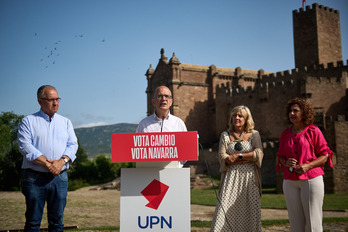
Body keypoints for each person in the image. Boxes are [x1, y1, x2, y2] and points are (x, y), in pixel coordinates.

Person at [18, 85, 78, 232]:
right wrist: (48, 163)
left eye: (57, 99)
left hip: (60, 178)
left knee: (57, 224)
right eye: (51, 100)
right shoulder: (28, 121)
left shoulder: (65, 122)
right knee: (33, 223)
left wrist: (61, 162)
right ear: (40, 101)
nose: (55, 103)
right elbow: (25, 147)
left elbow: (73, 145)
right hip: (35, 178)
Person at [277, 98, 333, 232]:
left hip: (311, 180)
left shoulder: (313, 131)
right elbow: (281, 156)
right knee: (295, 224)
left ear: (304, 113)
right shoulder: (285, 133)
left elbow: (325, 155)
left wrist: (308, 166)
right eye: (290, 111)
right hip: (290, 181)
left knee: (313, 223)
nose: (292, 113)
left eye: (295, 111)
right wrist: (286, 162)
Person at [211, 105, 263, 232]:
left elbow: (258, 154)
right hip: (230, 178)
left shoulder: (254, 134)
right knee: (223, 211)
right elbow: (222, 156)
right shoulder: (225, 135)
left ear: (246, 119)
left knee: (249, 212)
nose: (237, 118)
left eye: (240, 116)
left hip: (249, 179)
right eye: (234, 115)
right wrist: (247, 157)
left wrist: (238, 156)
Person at [136, 85, 187, 168]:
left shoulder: (178, 123)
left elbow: (185, 151)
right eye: (160, 96)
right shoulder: (143, 124)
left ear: (171, 102)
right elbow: (137, 150)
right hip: (149, 171)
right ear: (153, 101)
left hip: (173, 172)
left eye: (167, 96)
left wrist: (177, 165)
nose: (164, 99)